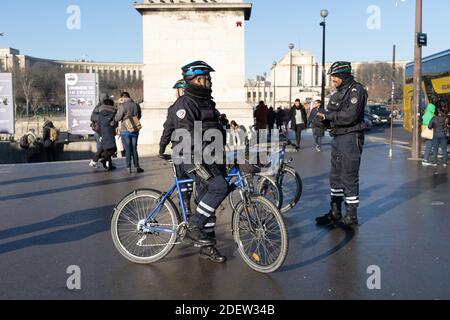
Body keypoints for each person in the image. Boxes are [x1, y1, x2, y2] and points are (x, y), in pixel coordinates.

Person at [160, 61, 229, 263]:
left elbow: (210, 126)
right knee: (219, 187)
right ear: (197, 80)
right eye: (207, 78)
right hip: (191, 156)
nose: (210, 81)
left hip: (211, 155)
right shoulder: (185, 104)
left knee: (207, 204)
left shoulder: (206, 101)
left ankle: (207, 247)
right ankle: (193, 225)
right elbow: (187, 134)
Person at [315, 61, 368, 227]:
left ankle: (351, 216)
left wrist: (329, 117)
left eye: (335, 77)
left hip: (351, 138)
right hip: (338, 138)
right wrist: (320, 122)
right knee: (335, 177)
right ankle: (335, 212)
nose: (333, 80)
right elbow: (332, 115)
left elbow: (350, 116)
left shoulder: (356, 90)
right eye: (332, 77)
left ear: (344, 75)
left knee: (348, 176)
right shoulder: (337, 94)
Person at [159, 79, 193, 218]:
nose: (176, 93)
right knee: (192, 179)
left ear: (181, 90)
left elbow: (168, 129)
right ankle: (188, 206)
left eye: (177, 91)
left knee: (182, 178)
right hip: (195, 149)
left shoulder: (174, 108)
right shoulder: (196, 106)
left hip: (180, 149)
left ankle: (186, 208)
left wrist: (162, 147)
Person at [115, 92, 144, 174]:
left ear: (122, 98)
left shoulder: (122, 106)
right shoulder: (136, 105)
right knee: (134, 148)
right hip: (135, 129)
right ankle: (137, 166)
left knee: (128, 149)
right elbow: (139, 116)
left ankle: (128, 167)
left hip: (125, 130)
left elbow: (117, 118)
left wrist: (119, 106)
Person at [90, 98, 118, 171]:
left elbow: (95, 120)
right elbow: (114, 122)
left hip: (100, 132)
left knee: (105, 148)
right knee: (113, 148)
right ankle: (102, 160)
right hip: (109, 132)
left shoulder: (99, 110)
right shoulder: (113, 112)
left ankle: (108, 164)